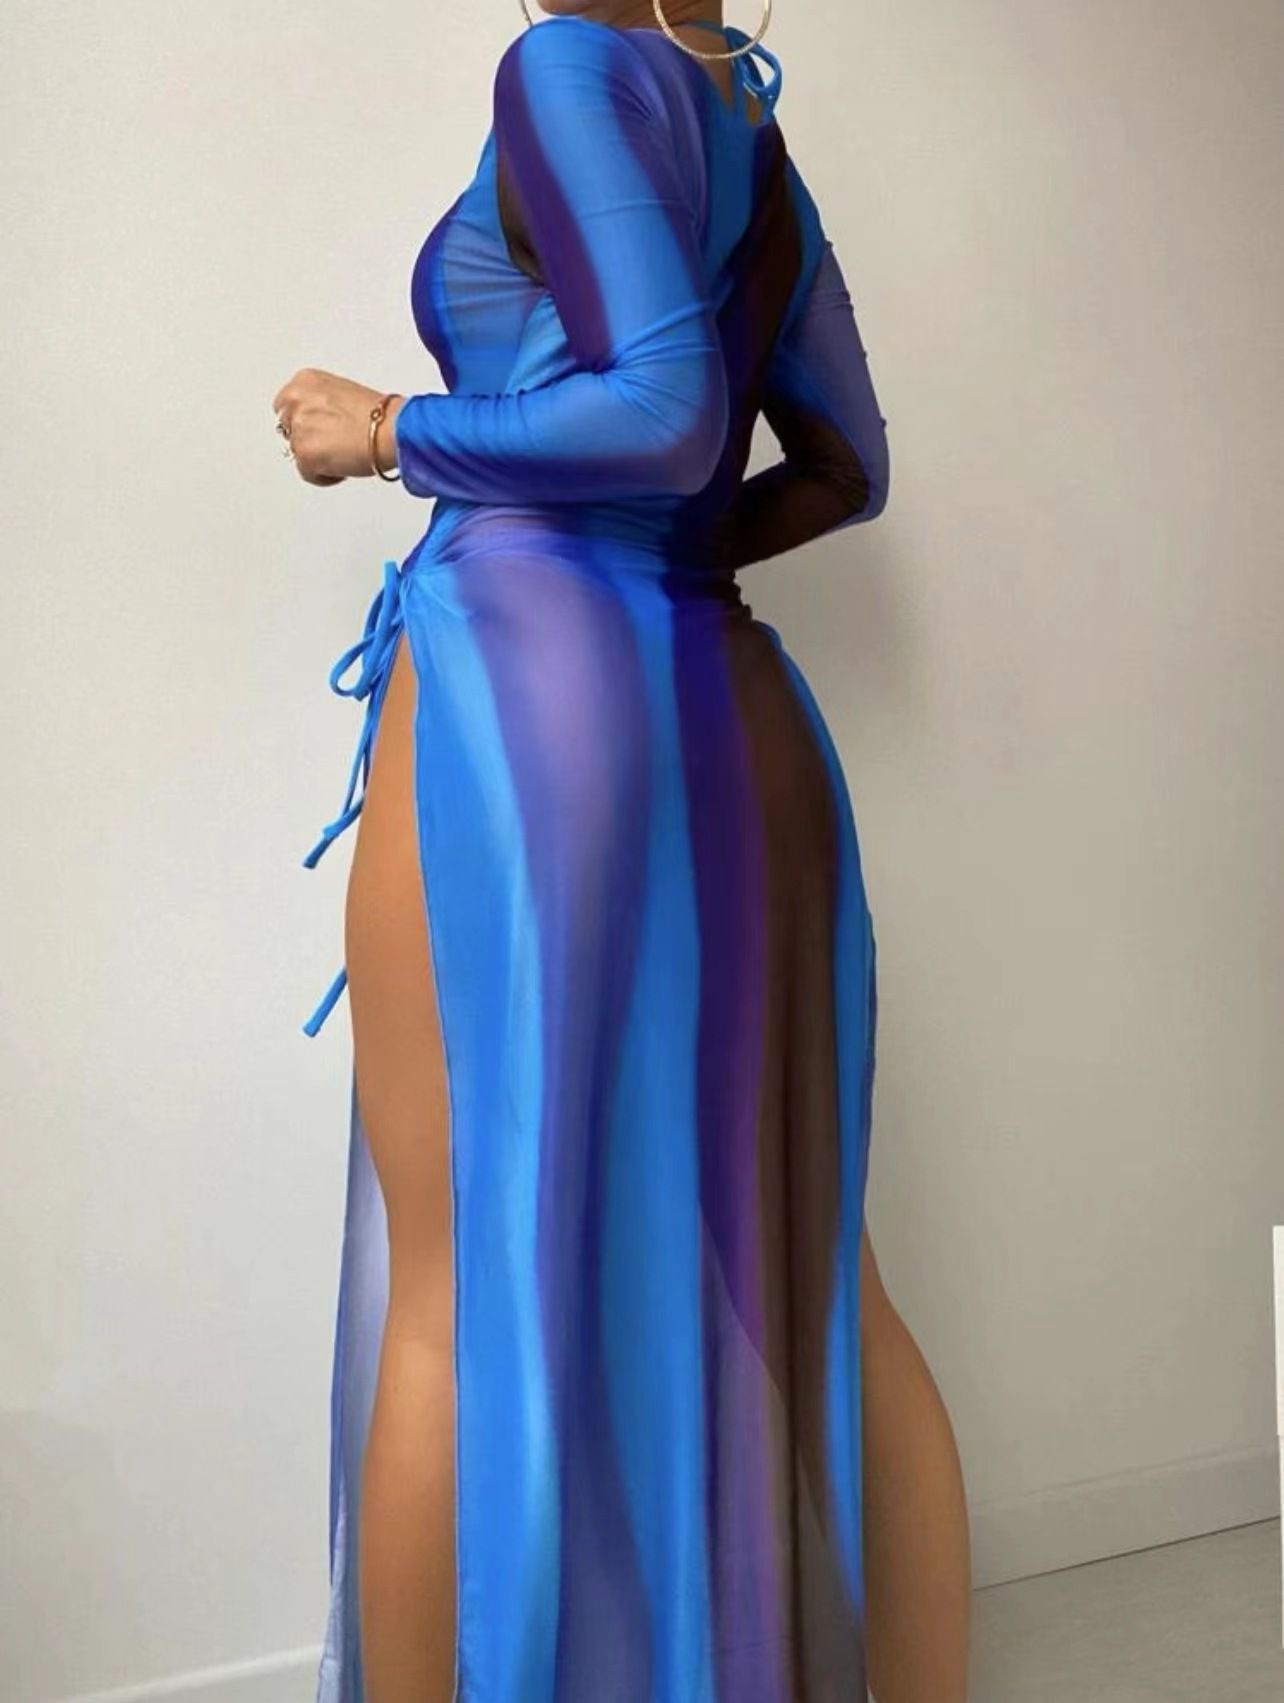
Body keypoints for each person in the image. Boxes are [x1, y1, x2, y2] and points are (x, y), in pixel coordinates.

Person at [272, 4, 970, 1699]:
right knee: (826, 1285)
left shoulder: (568, 65)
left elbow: (659, 408)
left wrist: (389, 429)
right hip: (729, 700)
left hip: (526, 703)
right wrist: (664, 558)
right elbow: (846, 467)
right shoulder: (750, 132)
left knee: (454, 1295)